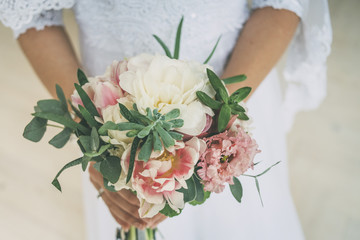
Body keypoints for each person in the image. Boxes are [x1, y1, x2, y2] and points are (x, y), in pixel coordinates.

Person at [0, 0, 332, 239]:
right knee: (130, 215)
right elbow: (34, 13)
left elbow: (282, 4)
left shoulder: (223, 123)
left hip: (232, 90)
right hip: (112, 116)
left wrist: (214, 133)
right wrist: (96, 135)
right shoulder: (103, 123)